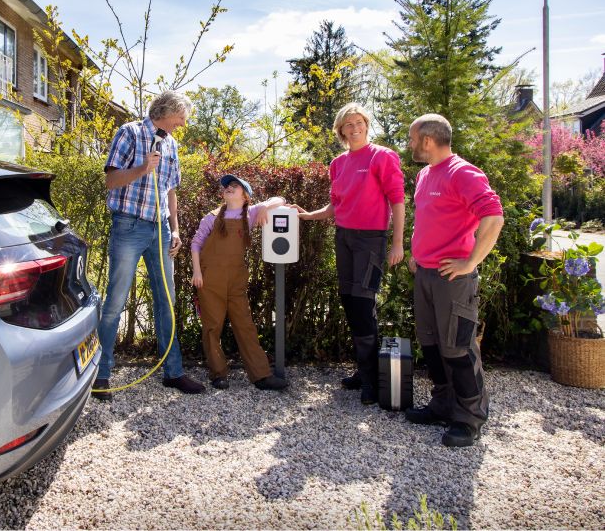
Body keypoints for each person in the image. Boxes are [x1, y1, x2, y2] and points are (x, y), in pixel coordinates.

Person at [93, 91, 205, 401]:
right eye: (181, 118)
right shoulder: (129, 132)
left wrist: (175, 228)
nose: (183, 124)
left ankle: (174, 371)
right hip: (129, 226)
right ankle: (101, 375)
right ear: (166, 111)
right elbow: (111, 180)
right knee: (115, 302)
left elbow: (170, 191)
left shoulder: (171, 144)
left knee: (166, 301)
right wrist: (142, 168)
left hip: (160, 231)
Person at [292, 102, 404, 405]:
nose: (355, 128)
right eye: (348, 124)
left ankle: (372, 381)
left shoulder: (382, 156)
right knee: (349, 301)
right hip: (344, 237)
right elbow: (335, 206)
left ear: (366, 125)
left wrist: (397, 243)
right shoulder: (338, 163)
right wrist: (307, 215)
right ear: (341, 130)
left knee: (364, 305)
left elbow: (397, 201)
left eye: (359, 122)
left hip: (371, 240)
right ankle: (363, 370)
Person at [405, 113, 504, 447]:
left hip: (452, 279)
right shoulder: (424, 174)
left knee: (458, 348)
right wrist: (417, 252)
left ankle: (469, 418)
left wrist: (470, 262)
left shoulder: (462, 172)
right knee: (431, 344)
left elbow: (493, 217)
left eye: (412, 138)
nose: (410, 144)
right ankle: (443, 404)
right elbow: (430, 219)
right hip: (425, 274)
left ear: (427, 140)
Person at [191, 175, 289, 391]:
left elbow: (281, 200)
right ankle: (218, 374)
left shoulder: (251, 214)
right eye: (227, 186)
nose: (229, 188)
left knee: (245, 325)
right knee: (212, 326)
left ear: (245, 197)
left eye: (235, 186)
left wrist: (264, 207)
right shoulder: (211, 217)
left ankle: (261, 375)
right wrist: (197, 272)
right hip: (210, 279)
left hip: (236, 279)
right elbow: (196, 244)